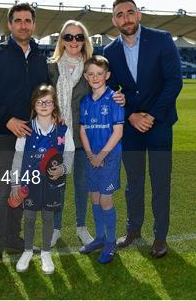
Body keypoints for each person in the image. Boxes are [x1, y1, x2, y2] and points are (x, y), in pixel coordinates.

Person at [103, 0, 183, 258]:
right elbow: (108, 92)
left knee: (160, 181)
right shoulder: (110, 52)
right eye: (119, 15)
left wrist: (151, 115)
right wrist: (130, 116)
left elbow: (174, 82)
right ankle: (134, 229)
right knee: (133, 182)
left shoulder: (162, 39)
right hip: (130, 125)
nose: (125, 18)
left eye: (129, 13)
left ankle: (160, 237)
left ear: (138, 15)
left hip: (159, 123)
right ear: (114, 20)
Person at [0, 3, 49, 277]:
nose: (23, 25)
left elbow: (48, 95)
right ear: (10, 25)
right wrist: (8, 119)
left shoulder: (41, 57)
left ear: (33, 24)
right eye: (17, 20)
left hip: (33, 138)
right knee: (1, 193)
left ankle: (14, 240)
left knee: (22, 190)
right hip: (5, 135)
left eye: (27, 20)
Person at [47, 20, 126, 247]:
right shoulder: (50, 67)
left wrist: (123, 97)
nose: (74, 41)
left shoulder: (91, 67)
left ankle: (81, 227)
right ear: (61, 40)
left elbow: (114, 90)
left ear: (85, 41)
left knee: (83, 186)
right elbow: (41, 98)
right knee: (57, 185)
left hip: (85, 139)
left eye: (79, 37)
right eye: (68, 37)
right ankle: (55, 229)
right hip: (57, 137)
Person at [12, 85, 75, 274]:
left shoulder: (63, 130)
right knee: (29, 217)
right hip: (29, 182)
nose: (44, 105)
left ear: (54, 105)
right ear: (34, 105)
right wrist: (15, 182)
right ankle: (28, 250)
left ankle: (46, 252)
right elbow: (18, 157)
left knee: (48, 216)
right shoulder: (26, 130)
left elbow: (70, 154)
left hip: (52, 183)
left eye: (48, 101)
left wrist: (63, 169)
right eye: (40, 102)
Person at [78, 55, 124, 264]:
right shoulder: (85, 101)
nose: (95, 77)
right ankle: (100, 237)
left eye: (99, 74)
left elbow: (118, 132)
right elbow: (83, 130)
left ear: (107, 75)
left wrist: (101, 155)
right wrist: (90, 155)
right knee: (94, 197)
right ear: (86, 76)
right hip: (92, 157)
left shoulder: (114, 99)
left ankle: (111, 242)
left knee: (105, 199)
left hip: (109, 157)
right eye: (91, 74)